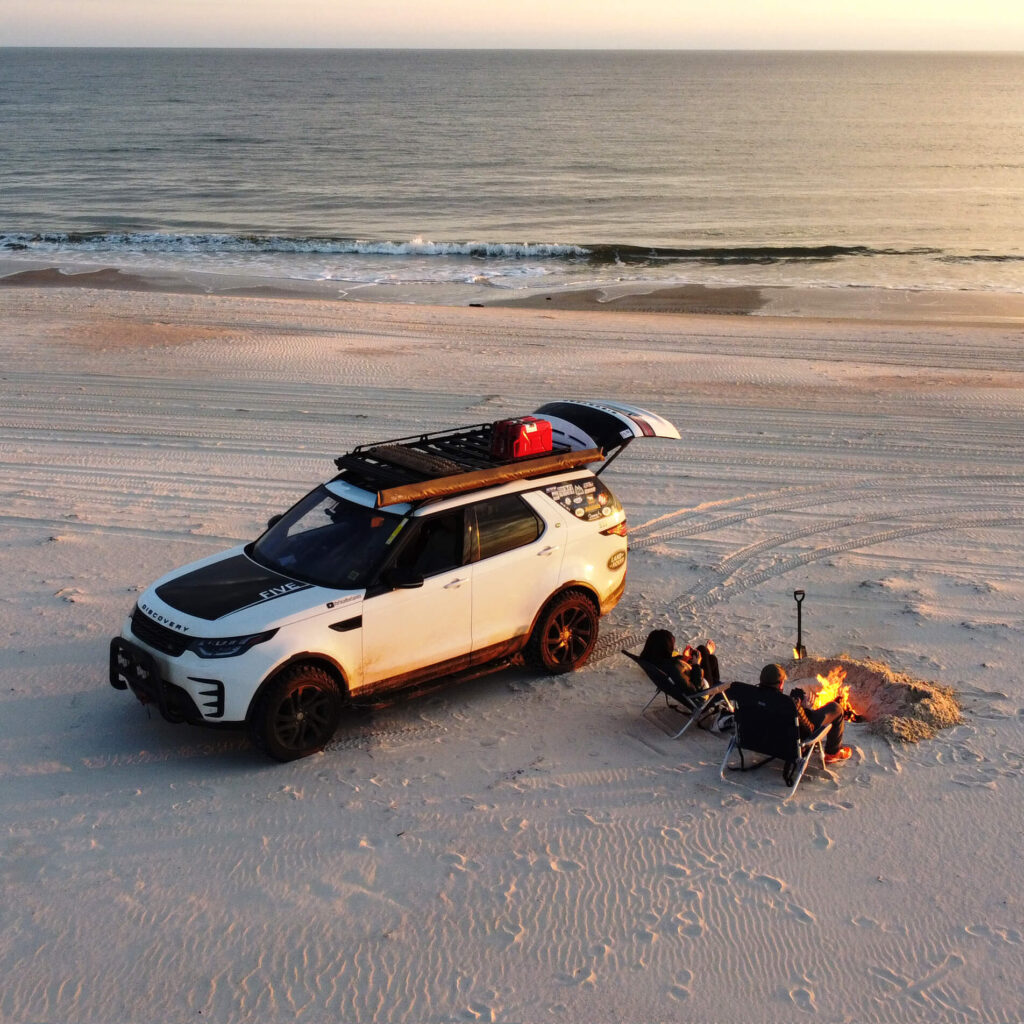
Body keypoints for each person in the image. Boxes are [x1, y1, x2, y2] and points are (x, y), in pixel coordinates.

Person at [758, 663, 851, 763]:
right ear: (781, 684)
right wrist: (807, 709)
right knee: (835, 708)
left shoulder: (751, 696)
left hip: (763, 741)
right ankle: (833, 753)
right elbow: (809, 729)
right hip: (789, 744)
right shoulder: (789, 704)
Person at [640, 629, 704, 697]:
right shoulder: (673, 667)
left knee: (702, 649)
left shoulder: (650, 660)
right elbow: (696, 688)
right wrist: (697, 664)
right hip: (698, 692)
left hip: (670, 682)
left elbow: (667, 661)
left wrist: (683, 658)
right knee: (708, 656)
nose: (673, 647)